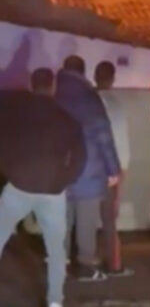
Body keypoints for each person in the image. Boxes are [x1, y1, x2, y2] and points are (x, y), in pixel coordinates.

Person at [0, 68, 87, 307]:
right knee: (56, 249)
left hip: (20, 186)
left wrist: (11, 172)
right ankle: (55, 300)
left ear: (32, 84)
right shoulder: (67, 119)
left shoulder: (17, 116)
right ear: (53, 87)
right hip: (52, 191)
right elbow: (80, 158)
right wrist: (63, 180)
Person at [56, 55, 122, 281]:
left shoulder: (54, 96)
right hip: (89, 169)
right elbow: (103, 136)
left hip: (61, 169)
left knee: (63, 218)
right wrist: (113, 169)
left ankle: (59, 262)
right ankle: (84, 265)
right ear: (84, 73)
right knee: (86, 219)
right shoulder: (89, 98)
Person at [94, 61, 134, 276]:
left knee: (86, 215)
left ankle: (88, 260)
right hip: (118, 164)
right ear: (112, 78)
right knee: (110, 218)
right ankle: (115, 263)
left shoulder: (90, 101)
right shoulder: (118, 104)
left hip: (95, 164)